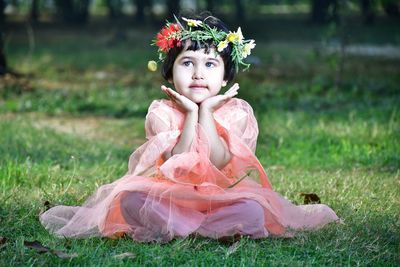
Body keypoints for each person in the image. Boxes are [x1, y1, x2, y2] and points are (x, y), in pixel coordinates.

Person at [40, 13, 340, 243]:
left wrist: (206, 112)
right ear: (170, 74)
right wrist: (189, 115)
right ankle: (196, 228)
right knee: (130, 199)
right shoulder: (163, 112)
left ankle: (183, 229)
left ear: (225, 77)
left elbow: (220, 162)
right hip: (171, 195)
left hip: (220, 198)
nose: (198, 73)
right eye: (187, 63)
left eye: (210, 64)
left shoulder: (236, 113)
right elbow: (175, 165)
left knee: (253, 208)